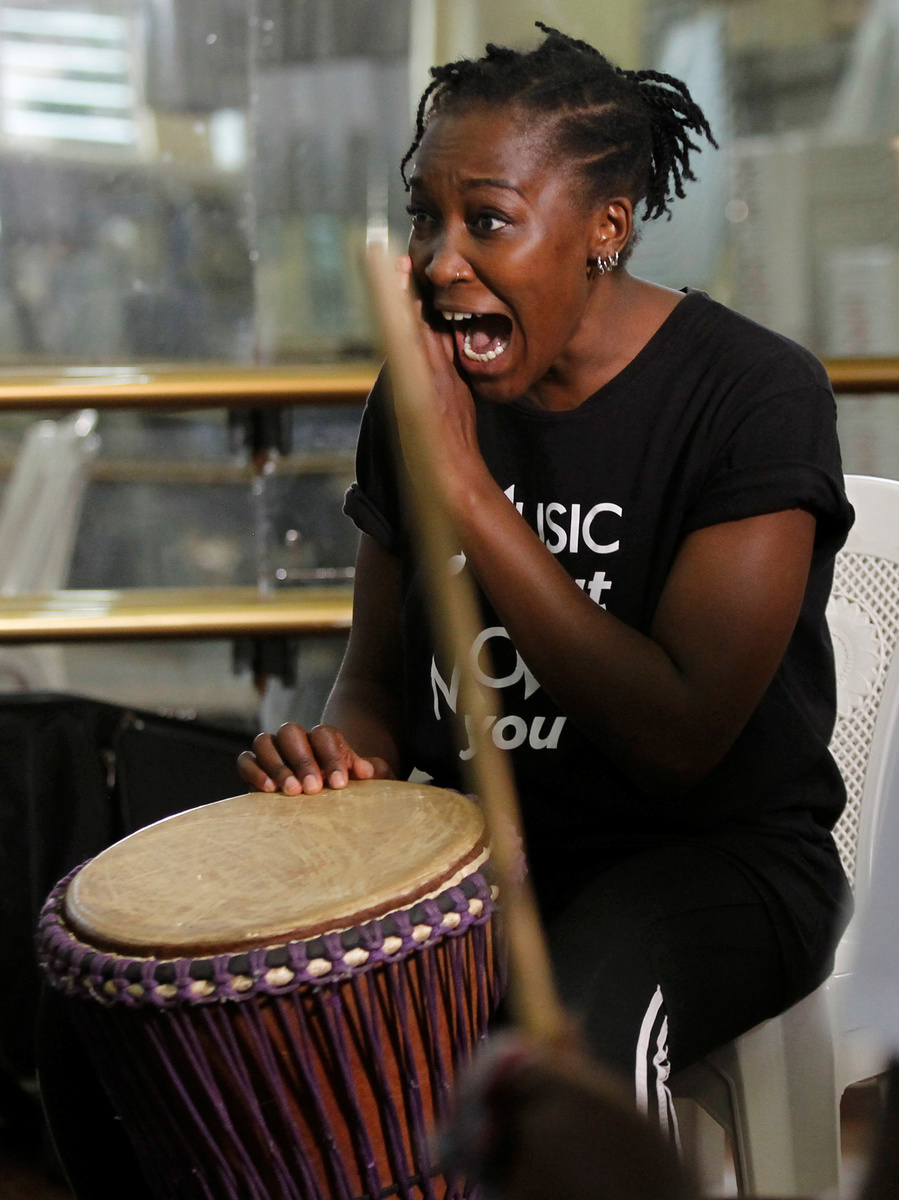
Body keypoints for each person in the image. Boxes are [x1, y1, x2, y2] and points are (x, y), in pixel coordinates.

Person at [238, 25, 854, 1137]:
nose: (440, 261)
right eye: (424, 218)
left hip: (709, 866)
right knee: (167, 1027)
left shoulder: (753, 395)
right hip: (469, 861)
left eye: (486, 220)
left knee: (568, 1035)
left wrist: (468, 492)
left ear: (604, 229)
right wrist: (342, 764)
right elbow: (375, 682)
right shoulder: (418, 394)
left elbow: (679, 737)